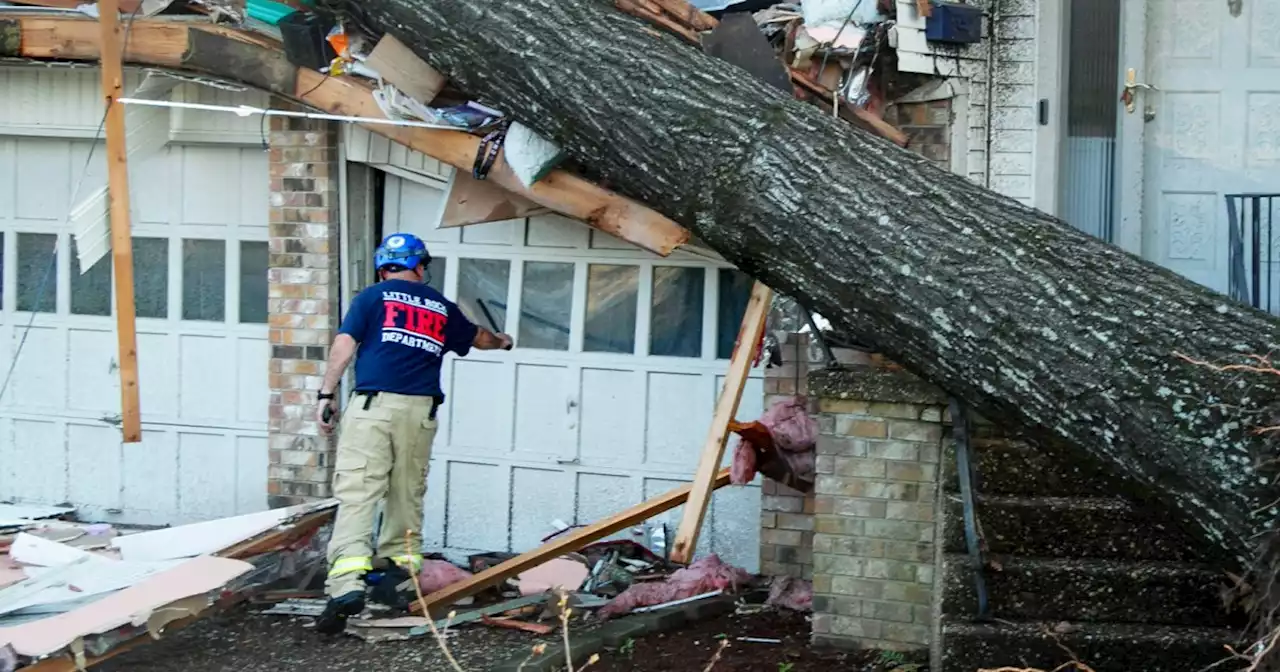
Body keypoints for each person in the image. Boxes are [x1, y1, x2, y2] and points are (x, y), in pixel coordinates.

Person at [313, 232, 513, 634]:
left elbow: (344, 345)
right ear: (420, 265)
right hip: (420, 412)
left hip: (374, 407)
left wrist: (326, 392)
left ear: (383, 265)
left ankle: (346, 585)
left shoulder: (371, 297)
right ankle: (398, 580)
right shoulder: (441, 306)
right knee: (406, 494)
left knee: (358, 492)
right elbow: (479, 338)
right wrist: (504, 341)